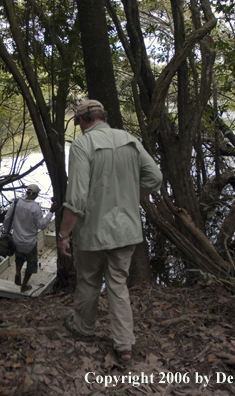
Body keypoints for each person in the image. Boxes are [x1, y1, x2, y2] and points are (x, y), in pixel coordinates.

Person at [58, 99, 162, 365]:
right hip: (126, 231)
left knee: (89, 281)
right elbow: (155, 178)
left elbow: (77, 198)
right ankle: (124, 346)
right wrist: (133, 194)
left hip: (93, 232)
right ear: (103, 116)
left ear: (82, 121)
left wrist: (64, 234)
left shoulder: (82, 144)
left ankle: (84, 329)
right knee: (118, 285)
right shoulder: (129, 139)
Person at [3, 184, 53, 292]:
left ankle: (17, 272)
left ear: (27, 192)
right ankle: (24, 285)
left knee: (19, 258)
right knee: (31, 263)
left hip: (16, 240)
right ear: (36, 195)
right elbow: (42, 225)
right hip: (29, 243)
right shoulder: (35, 208)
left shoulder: (16, 203)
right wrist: (51, 212)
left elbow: (7, 219)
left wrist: (8, 231)